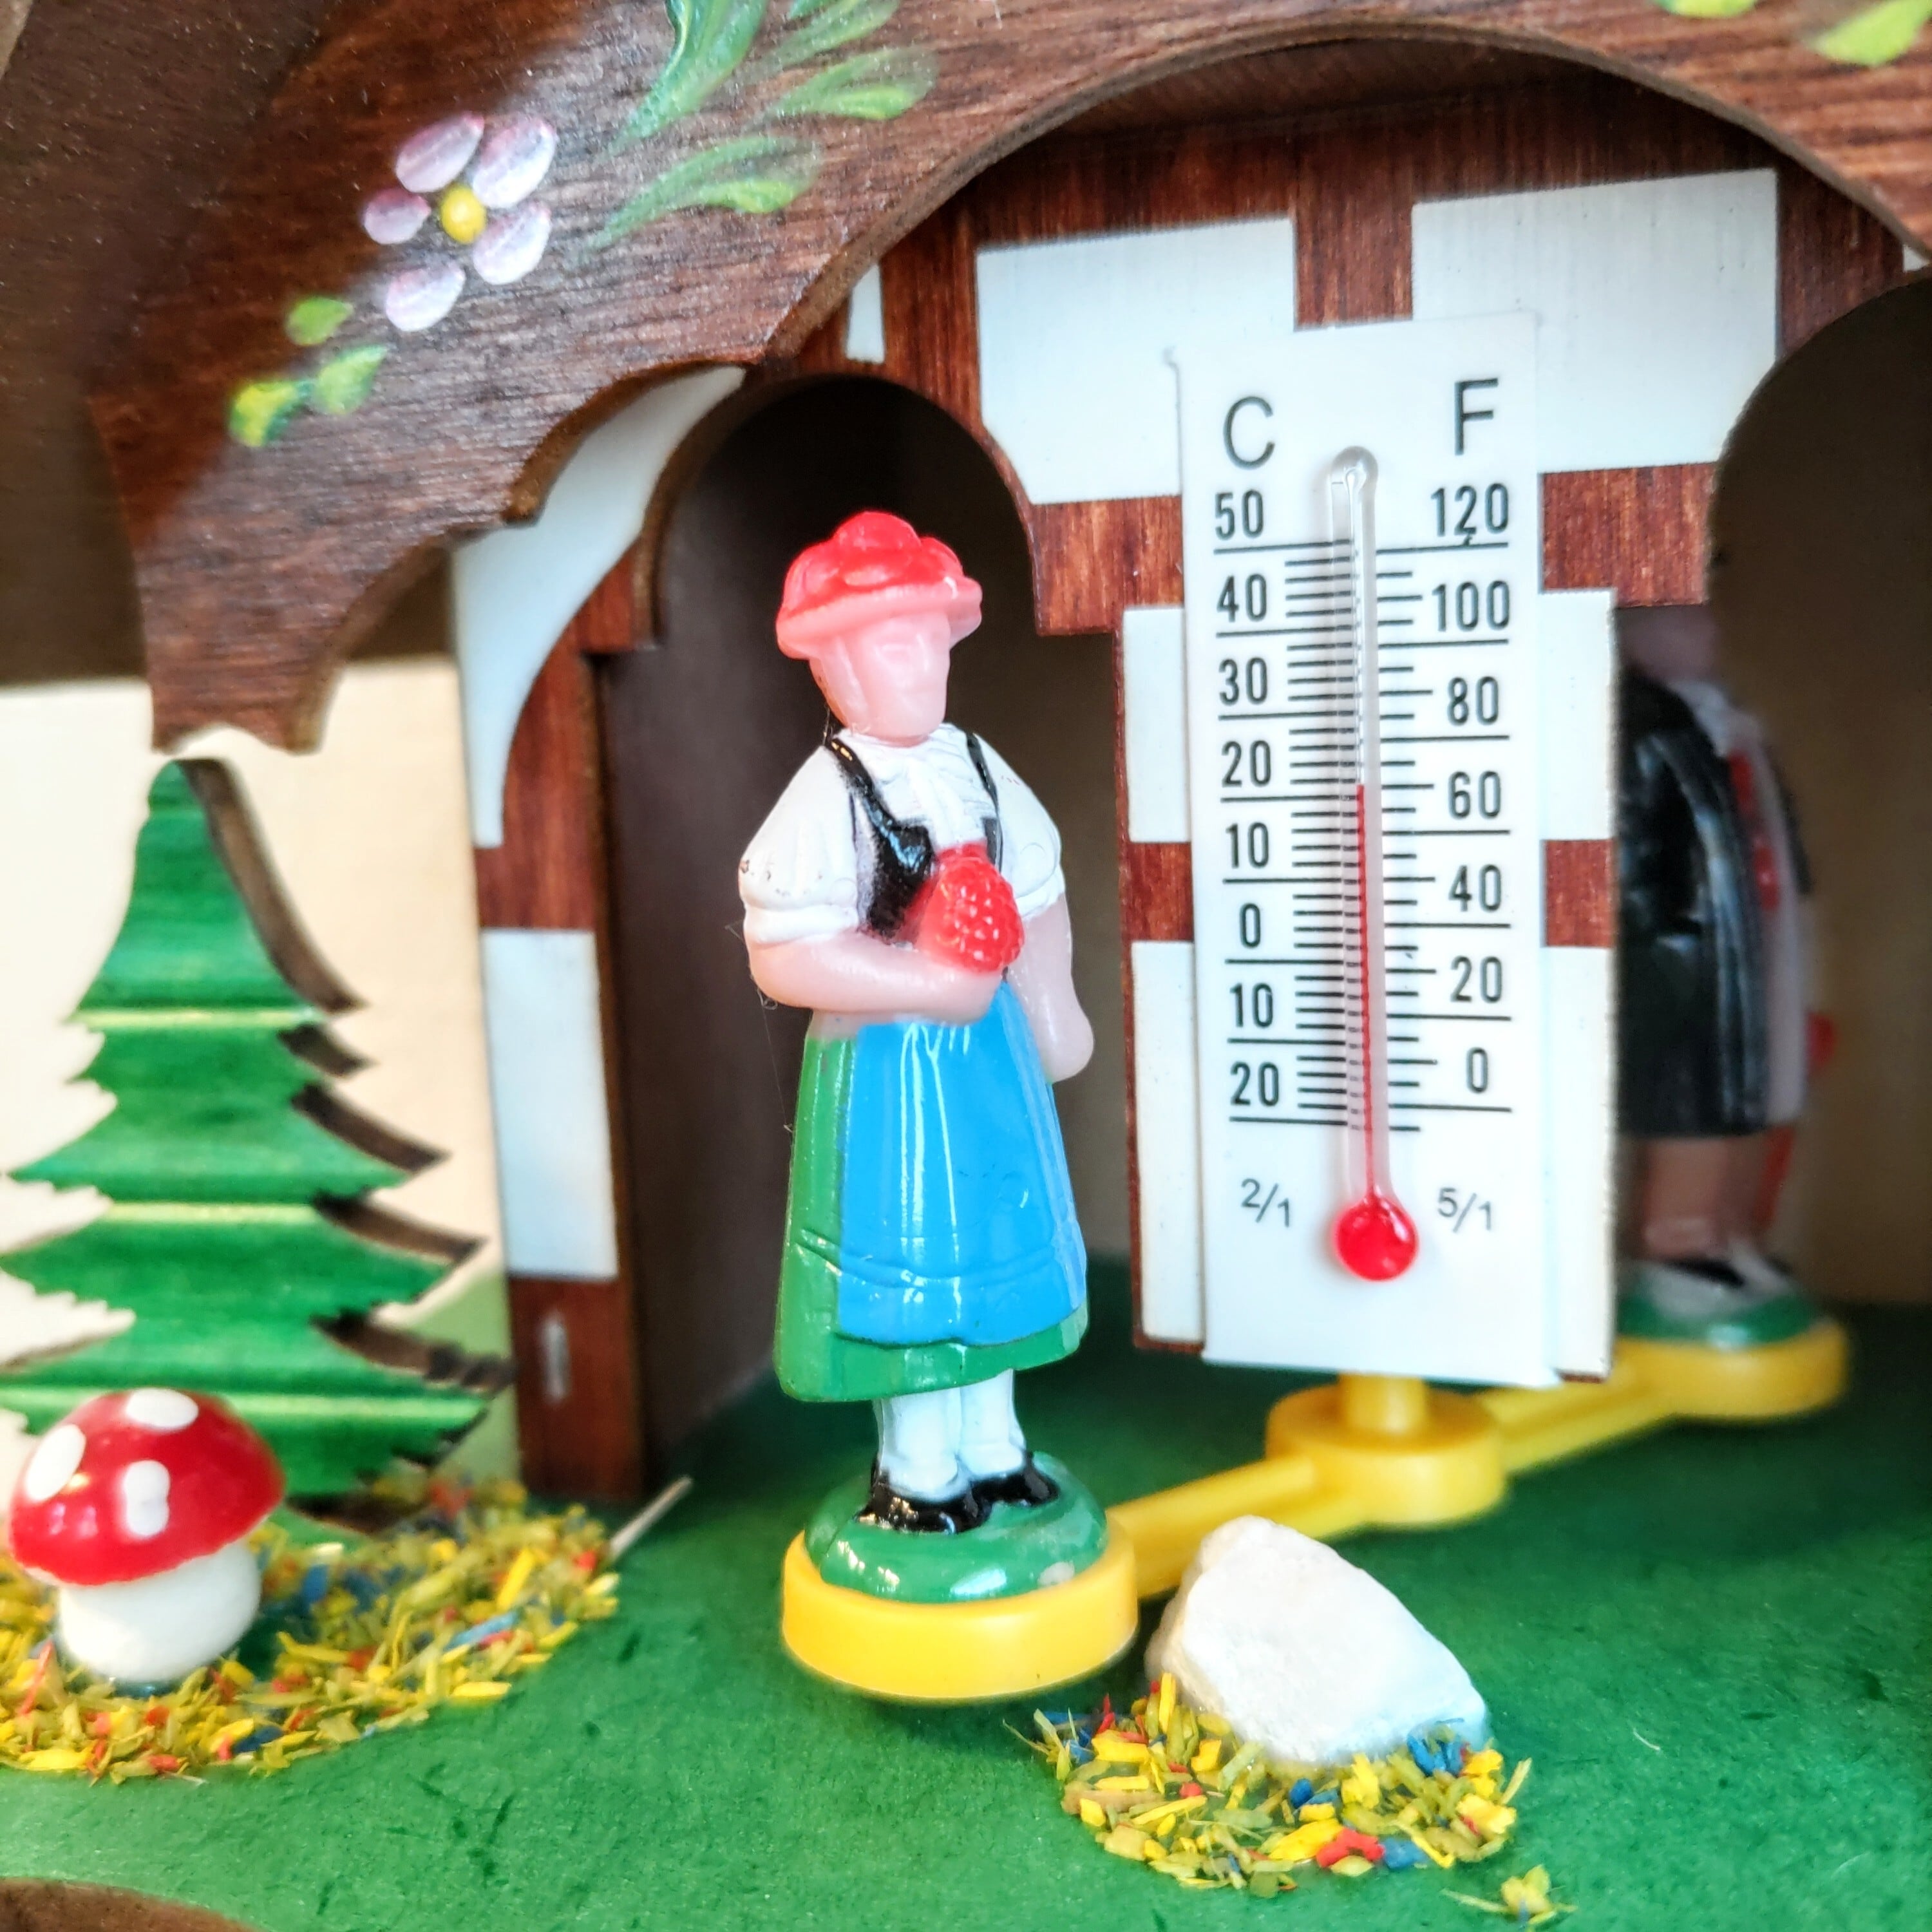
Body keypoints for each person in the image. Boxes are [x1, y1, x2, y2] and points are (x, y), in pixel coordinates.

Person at [739, 511, 1093, 1532]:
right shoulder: (829, 795)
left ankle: (995, 1442)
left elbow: (1038, 890)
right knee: (913, 1263)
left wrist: (1051, 1004)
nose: (925, 667)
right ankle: (919, 1461)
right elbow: (785, 951)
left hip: (989, 1061)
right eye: (899, 646)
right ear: (837, 666)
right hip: (889, 1073)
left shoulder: (974, 764)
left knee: (994, 1247)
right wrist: (923, 979)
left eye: (936, 644)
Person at [1616, 604, 1827, 1347]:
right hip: (1689, 950)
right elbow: (1629, 850)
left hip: (1746, 934)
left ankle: (1726, 1236)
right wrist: (1664, 938)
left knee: (1751, 1095)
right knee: (1693, 1103)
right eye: (1680, 622)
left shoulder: (1725, 721)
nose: (1704, 634)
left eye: (1704, 621)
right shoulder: (1643, 721)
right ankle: (1678, 1246)